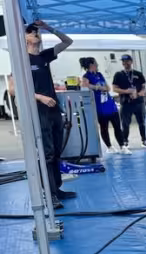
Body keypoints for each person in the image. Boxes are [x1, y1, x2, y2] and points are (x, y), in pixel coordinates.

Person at [22, 20, 74, 208]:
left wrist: (49, 28)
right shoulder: (22, 60)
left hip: (54, 111)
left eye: (36, 32)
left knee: (58, 152)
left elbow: (68, 41)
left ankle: (57, 188)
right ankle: (50, 194)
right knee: (48, 153)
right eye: (31, 32)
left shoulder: (44, 56)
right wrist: (40, 97)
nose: (35, 34)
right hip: (40, 111)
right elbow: (15, 90)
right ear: (24, 38)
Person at [81, 57, 128, 155]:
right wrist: (98, 87)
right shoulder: (86, 76)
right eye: (95, 63)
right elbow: (85, 85)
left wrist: (104, 88)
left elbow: (108, 87)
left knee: (117, 126)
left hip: (109, 103)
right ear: (91, 65)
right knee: (104, 127)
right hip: (99, 106)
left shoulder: (99, 74)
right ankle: (109, 147)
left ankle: (122, 146)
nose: (97, 65)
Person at [113, 54, 146, 152]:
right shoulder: (118, 75)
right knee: (125, 123)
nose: (125, 63)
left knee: (142, 123)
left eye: (127, 61)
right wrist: (127, 91)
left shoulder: (138, 74)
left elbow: (144, 87)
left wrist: (139, 94)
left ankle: (144, 140)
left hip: (139, 102)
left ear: (131, 62)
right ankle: (125, 141)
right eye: (123, 61)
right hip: (126, 102)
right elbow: (114, 88)